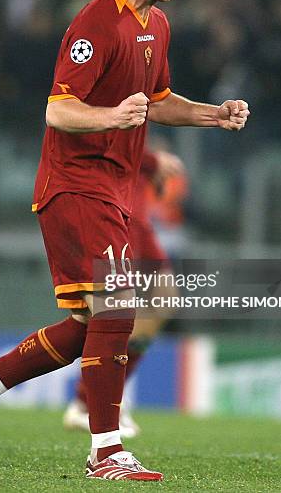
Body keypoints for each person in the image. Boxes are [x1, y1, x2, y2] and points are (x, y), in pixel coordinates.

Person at [0, 0, 249, 482]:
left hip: (115, 191)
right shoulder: (96, 22)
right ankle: (105, 450)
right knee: (120, 307)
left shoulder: (157, 25)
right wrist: (112, 114)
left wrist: (212, 114)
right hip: (75, 185)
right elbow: (58, 108)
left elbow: (156, 99)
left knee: (94, 324)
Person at [63, 146, 185, 438]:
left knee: (163, 301)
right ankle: (93, 402)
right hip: (116, 214)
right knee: (111, 313)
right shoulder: (108, 104)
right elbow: (102, 139)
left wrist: (151, 164)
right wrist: (154, 159)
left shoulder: (142, 108)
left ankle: (89, 401)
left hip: (137, 218)